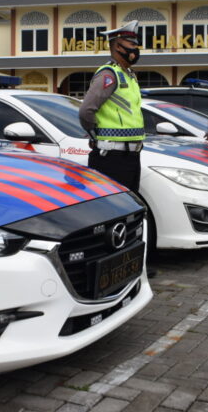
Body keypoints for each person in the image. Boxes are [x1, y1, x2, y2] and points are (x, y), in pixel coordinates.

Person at [79, 21, 156, 278]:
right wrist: (94, 135)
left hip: (130, 155)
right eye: (130, 44)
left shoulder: (129, 77)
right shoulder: (108, 75)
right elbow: (86, 110)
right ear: (116, 45)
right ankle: (107, 268)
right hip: (110, 156)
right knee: (110, 214)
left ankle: (129, 264)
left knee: (129, 211)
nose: (135, 49)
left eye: (136, 44)